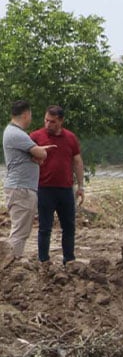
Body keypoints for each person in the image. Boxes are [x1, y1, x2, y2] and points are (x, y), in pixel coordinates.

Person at [31, 105, 83, 263]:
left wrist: (81, 186)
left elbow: (77, 161)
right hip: (44, 188)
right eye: (46, 120)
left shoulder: (70, 138)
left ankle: (69, 260)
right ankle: (43, 261)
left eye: (52, 121)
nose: (48, 124)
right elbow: (26, 158)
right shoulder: (35, 136)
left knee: (69, 227)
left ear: (61, 121)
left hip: (65, 189)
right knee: (45, 228)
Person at [3, 101, 51, 258]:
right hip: (21, 188)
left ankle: (11, 261)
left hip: (21, 187)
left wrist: (36, 154)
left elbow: (35, 155)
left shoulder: (14, 133)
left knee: (21, 230)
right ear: (25, 114)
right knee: (20, 232)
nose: (31, 118)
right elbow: (41, 154)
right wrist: (40, 152)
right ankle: (10, 263)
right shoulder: (17, 134)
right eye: (30, 115)